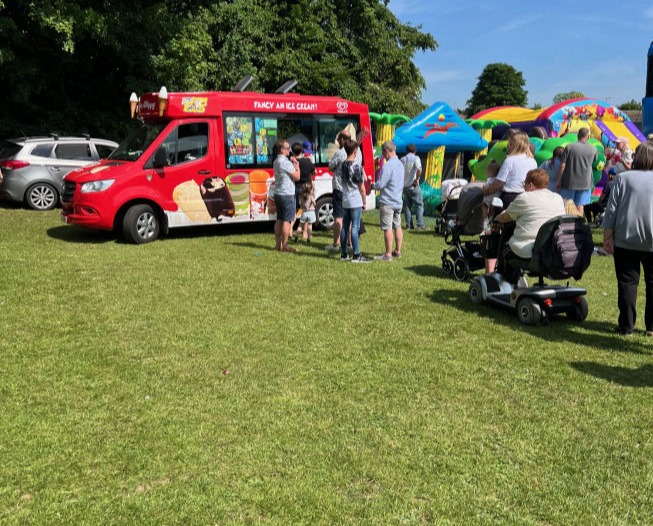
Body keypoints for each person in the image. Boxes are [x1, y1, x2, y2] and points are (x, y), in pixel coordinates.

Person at [601, 141, 653, 336]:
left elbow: (611, 210)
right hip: (651, 239)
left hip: (625, 238)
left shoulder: (623, 179)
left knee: (627, 283)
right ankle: (651, 327)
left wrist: (607, 237)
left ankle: (627, 325)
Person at [494, 168, 565, 286]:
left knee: (506, 249)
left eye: (524, 184)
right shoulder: (558, 198)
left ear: (530, 185)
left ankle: (507, 282)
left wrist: (496, 219)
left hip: (530, 249)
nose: (524, 187)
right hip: (552, 248)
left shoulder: (525, 197)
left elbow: (505, 216)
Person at [325, 129, 362, 253]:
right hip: (355, 190)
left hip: (340, 189)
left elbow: (330, 167)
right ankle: (350, 243)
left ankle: (336, 244)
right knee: (351, 220)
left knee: (339, 218)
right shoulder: (359, 152)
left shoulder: (340, 153)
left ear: (341, 139)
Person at [482, 130, 536, 208]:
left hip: (510, 197)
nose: (508, 146)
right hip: (526, 197)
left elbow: (499, 183)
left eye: (510, 144)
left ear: (518, 146)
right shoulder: (532, 161)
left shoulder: (509, 160)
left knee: (494, 214)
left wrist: (487, 190)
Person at [373, 141, 404, 260]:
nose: (383, 156)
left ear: (386, 151)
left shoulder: (387, 166)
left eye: (383, 153)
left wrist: (372, 186)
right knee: (398, 226)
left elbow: (381, 184)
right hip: (398, 200)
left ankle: (388, 254)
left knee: (387, 228)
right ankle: (398, 251)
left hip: (388, 201)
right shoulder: (400, 164)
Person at [340, 139, 370, 263]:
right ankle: (357, 254)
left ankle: (343, 254)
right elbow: (361, 187)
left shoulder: (343, 165)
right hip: (355, 199)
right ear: (355, 151)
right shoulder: (356, 166)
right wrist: (364, 201)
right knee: (355, 227)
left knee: (345, 227)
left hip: (345, 198)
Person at [556, 127, 597, 217]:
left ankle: (566, 224)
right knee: (580, 206)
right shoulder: (593, 149)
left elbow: (563, 165)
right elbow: (592, 163)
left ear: (578, 135)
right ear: (588, 136)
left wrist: (558, 180)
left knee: (566, 205)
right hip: (586, 182)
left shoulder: (569, 147)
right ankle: (579, 225)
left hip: (570, 181)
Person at [272, 139, 300, 252]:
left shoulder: (276, 161)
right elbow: (297, 177)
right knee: (286, 220)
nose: (290, 150)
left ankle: (278, 244)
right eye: (288, 148)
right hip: (287, 193)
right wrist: (297, 165)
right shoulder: (286, 163)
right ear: (282, 149)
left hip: (278, 193)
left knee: (279, 218)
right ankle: (285, 245)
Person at [292, 141, 315, 239]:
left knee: (294, 210)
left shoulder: (293, 162)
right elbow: (313, 172)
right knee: (306, 210)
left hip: (296, 187)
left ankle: (290, 230)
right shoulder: (308, 161)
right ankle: (305, 233)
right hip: (307, 188)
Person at [401, 143, 425, 230]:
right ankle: (420, 224)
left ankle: (409, 225)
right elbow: (419, 169)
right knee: (419, 205)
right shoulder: (416, 158)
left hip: (405, 186)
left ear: (406, 151)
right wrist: (417, 179)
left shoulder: (402, 159)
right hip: (413, 185)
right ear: (415, 151)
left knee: (407, 206)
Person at [481, 160, 501, 230]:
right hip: (498, 197)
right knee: (493, 209)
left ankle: (485, 217)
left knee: (483, 205)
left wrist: (484, 188)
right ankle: (490, 218)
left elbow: (486, 187)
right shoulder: (499, 179)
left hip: (489, 197)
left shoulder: (490, 179)